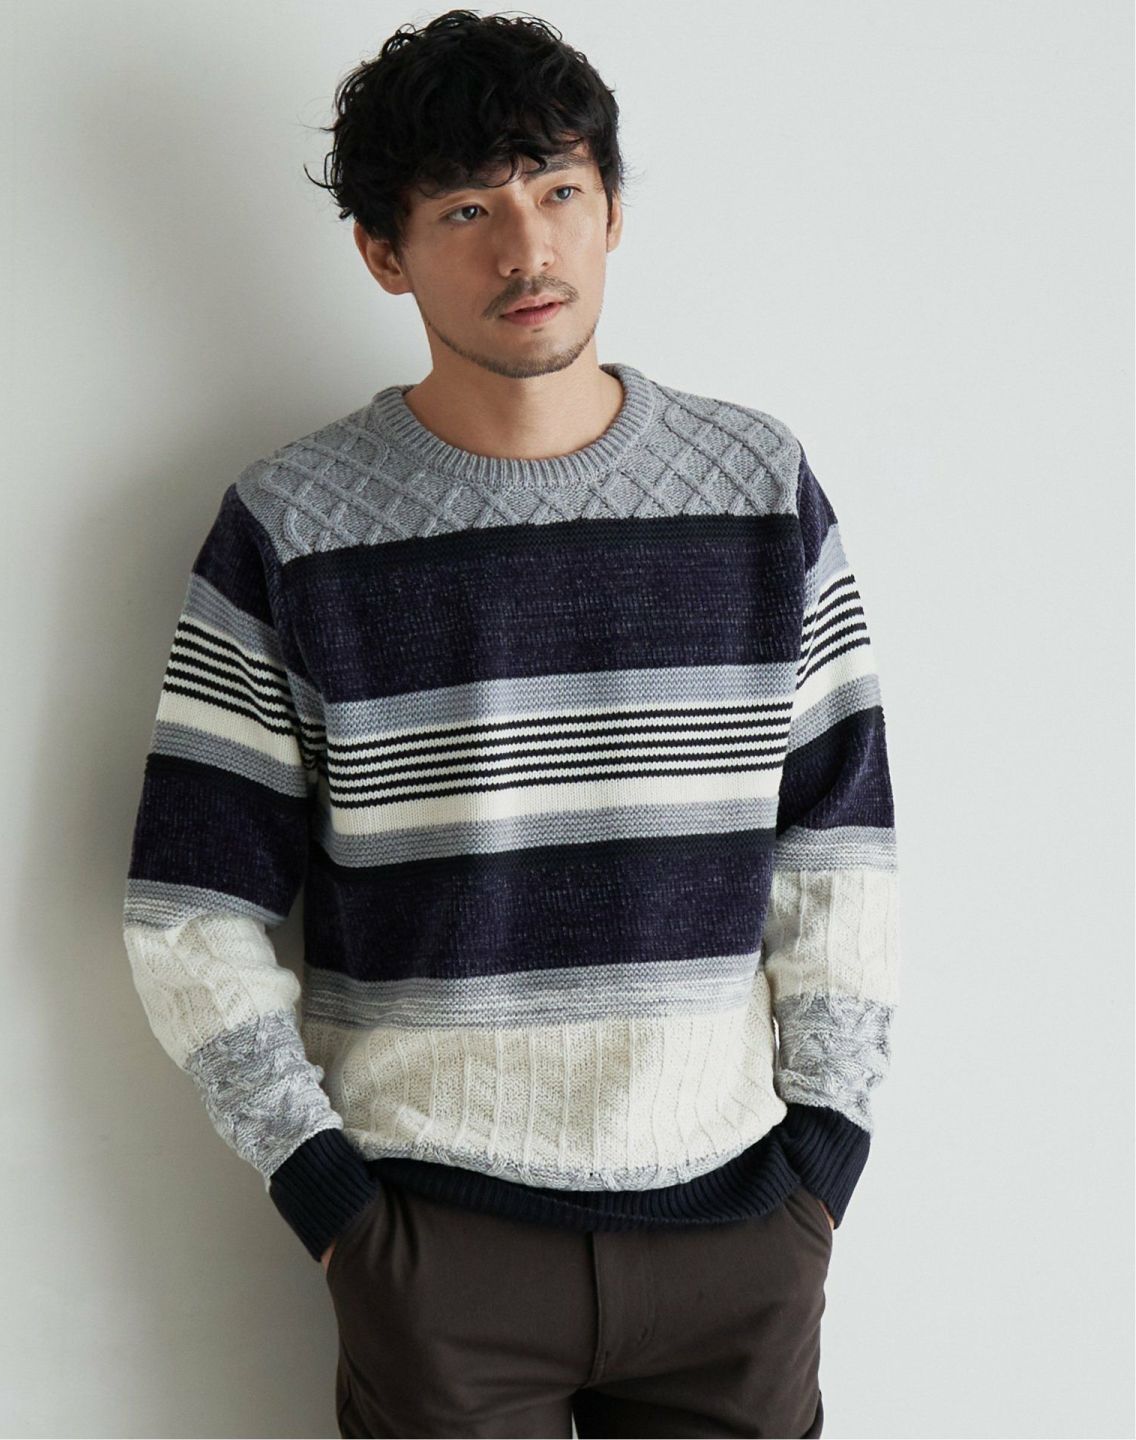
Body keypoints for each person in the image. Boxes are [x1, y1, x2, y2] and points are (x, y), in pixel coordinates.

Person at [122, 10, 900, 1437]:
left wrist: (826, 1159)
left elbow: (838, 847)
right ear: (385, 252)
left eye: (558, 190)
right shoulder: (292, 526)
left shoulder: (758, 485)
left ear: (612, 209)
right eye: (467, 210)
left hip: (738, 1235)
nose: (526, 248)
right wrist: (330, 1200)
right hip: (440, 1243)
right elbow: (190, 905)